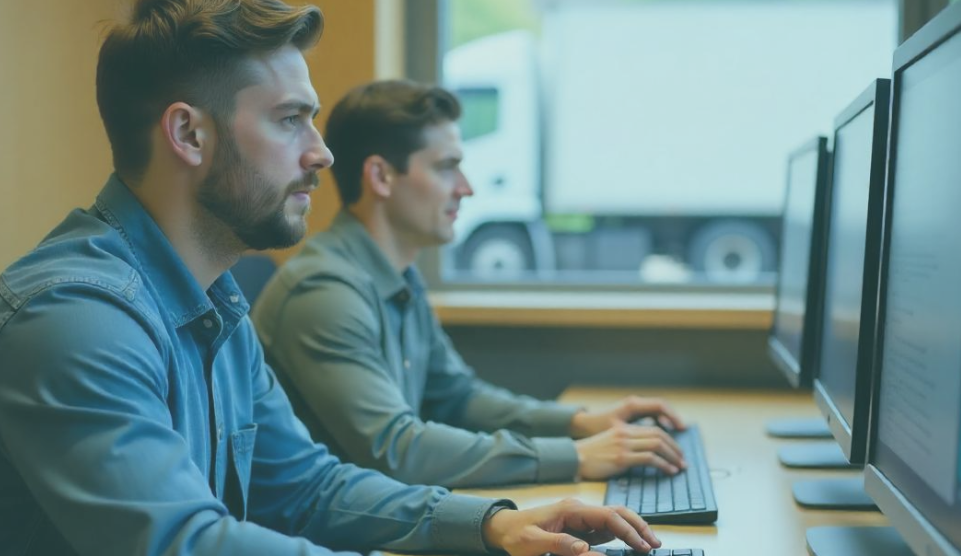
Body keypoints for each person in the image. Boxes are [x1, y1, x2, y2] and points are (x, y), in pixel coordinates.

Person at [0, 0, 663, 556]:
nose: (322, 154)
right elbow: (186, 545)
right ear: (189, 135)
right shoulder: (70, 319)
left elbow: (304, 486)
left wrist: (493, 525)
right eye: (290, 120)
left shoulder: (213, 300)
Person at [251, 79, 689, 489]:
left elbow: (457, 397)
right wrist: (573, 456)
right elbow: (397, 450)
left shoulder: (394, 274)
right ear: (381, 177)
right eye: (446, 168)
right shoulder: (324, 291)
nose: (467, 189)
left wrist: (581, 423)